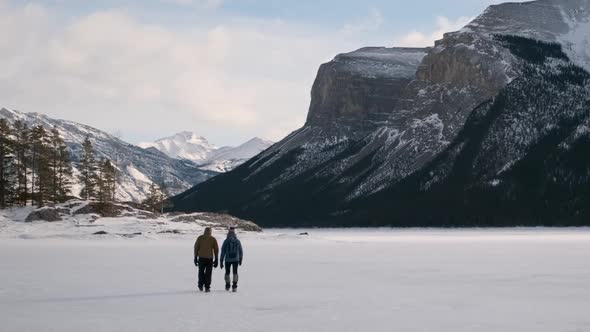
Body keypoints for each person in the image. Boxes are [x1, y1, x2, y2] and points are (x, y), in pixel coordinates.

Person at [193, 227, 219, 292]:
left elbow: (196, 247)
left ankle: (200, 285)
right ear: (210, 231)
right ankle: (207, 287)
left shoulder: (200, 238)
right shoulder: (213, 239)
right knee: (208, 273)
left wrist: (195, 257)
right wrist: (216, 259)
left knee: (201, 272)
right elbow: (216, 249)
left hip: (201, 258)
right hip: (209, 258)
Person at [220, 227, 244, 292]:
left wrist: (221, 261)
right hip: (236, 259)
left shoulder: (226, 241)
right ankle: (234, 286)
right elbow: (241, 251)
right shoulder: (237, 241)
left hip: (227, 259)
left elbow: (223, 251)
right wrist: (240, 259)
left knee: (227, 272)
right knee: (235, 272)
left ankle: (227, 285)